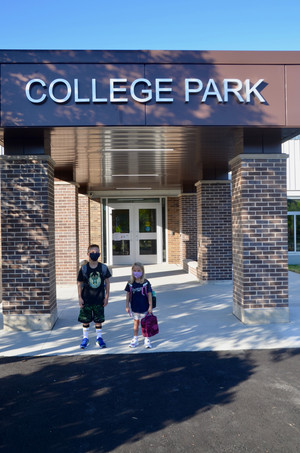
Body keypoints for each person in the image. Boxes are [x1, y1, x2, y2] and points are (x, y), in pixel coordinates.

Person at [77, 244, 111, 349]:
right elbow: (79, 283)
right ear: (88, 254)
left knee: (98, 320)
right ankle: (85, 338)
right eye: (92, 252)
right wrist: (79, 297)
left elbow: (107, 283)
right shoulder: (84, 269)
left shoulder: (103, 268)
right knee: (85, 320)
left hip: (99, 299)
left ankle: (99, 338)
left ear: (99, 253)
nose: (95, 254)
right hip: (86, 298)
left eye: (97, 252)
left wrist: (107, 297)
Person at [125, 262, 153, 349]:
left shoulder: (145, 283)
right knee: (136, 324)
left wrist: (150, 306)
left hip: (144, 307)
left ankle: (147, 339)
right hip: (135, 307)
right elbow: (128, 295)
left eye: (138, 270)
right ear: (132, 271)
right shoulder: (130, 283)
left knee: (145, 324)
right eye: (134, 270)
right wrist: (127, 306)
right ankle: (135, 339)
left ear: (142, 271)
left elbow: (149, 294)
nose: (136, 272)